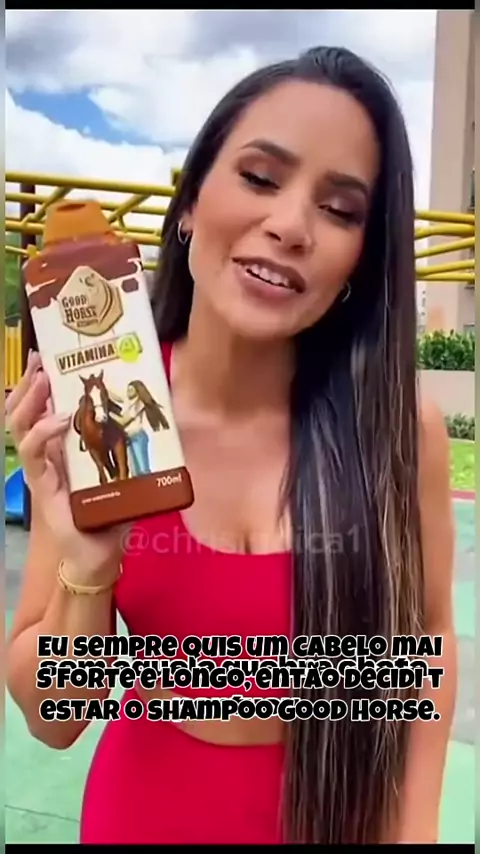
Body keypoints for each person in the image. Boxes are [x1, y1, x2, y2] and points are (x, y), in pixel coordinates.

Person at [5, 45, 456, 844]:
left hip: (336, 818)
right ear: (189, 204)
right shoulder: (108, 413)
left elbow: (426, 649)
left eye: (340, 210)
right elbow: (56, 720)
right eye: (259, 177)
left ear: (360, 259)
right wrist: (89, 567)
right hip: (144, 815)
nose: (290, 226)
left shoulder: (396, 427)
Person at [108, 380, 169, 477]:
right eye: (128, 389)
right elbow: (115, 397)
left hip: (138, 437)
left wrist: (109, 414)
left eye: (131, 390)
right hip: (129, 438)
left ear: (137, 391)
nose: (128, 392)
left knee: (143, 469)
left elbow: (124, 421)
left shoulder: (139, 404)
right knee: (135, 472)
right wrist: (103, 388)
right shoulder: (128, 400)